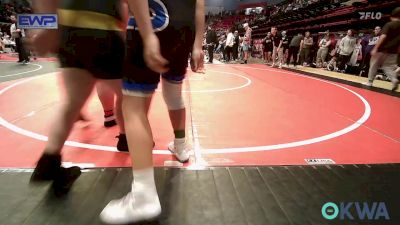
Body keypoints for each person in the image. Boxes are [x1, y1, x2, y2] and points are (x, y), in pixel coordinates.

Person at [99, 0, 205, 224]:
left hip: (156, 20)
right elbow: (199, 5)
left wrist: (147, 36)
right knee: (174, 94)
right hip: (184, 29)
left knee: (133, 106)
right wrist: (197, 44)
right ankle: (180, 146)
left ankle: (143, 196)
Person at [27, 0, 129, 189]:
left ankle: (49, 160)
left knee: (72, 101)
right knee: (127, 94)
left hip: (69, 31)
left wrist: (50, 26)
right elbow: (123, 6)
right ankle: (125, 139)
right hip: (103, 29)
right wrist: (125, 37)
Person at [363, 7, 400, 91]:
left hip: (382, 50)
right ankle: (394, 79)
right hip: (393, 51)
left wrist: (375, 48)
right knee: (388, 67)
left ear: (392, 16)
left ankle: (370, 82)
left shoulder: (389, 24)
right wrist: (397, 51)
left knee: (373, 65)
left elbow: (383, 36)